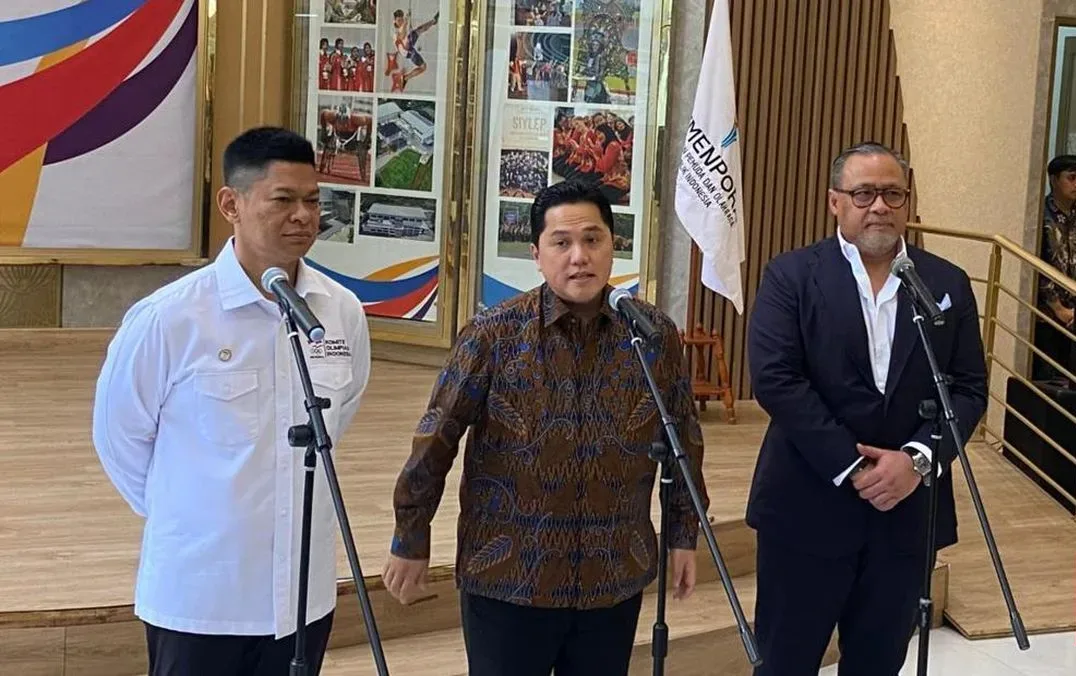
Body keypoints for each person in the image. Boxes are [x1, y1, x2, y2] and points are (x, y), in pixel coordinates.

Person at [381, 181, 709, 675]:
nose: (579, 257)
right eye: (561, 243)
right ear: (536, 254)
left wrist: (683, 532)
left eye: (593, 239)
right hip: (509, 577)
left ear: (613, 245)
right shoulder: (493, 335)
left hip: (611, 574)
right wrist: (411, 536)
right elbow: (436, 439)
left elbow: (683, 435)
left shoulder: (651, 334)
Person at [92, 127, 371, 676]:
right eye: (283, 200)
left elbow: (339, 414)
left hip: (301, 598)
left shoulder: (340, 311)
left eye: (313, 201)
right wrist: (190, 514)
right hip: (201, 598)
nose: (303, 217)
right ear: (231, 205)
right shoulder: (170, 317)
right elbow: (118, 435)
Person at [746, 142, 987, 675]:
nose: (879, 206)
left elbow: (968, 388)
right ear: (835, 201)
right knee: (785, 663)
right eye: (863, 194)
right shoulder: (791, 276)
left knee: (878, 664)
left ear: (907, 201)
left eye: (893, 194)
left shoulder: (945, 283)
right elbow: (777, 380)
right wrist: (854, 466)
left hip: (905, 514)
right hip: (807, 506)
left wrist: (917, 460)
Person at [1033, 155, 1076, 385]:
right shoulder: (1041, 216)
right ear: (1054, 180)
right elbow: (1038, 262)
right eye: (1072, 178)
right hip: (1046, 314)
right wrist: (1057, 307)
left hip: (1073, 310)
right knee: (1048, 382)